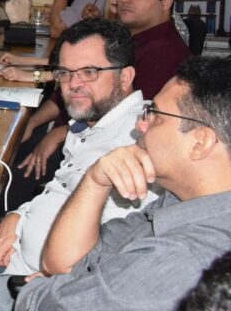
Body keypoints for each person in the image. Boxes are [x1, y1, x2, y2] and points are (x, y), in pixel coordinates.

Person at [0, 19, 156, 311]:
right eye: (65, 72)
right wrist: (17, 216)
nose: (74, 84)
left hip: (39, 283)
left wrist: (62, 282)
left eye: (90, 72)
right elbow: (61, 187)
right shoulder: (92, 121)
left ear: (125, 77)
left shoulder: (141, 139)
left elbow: (125, 248)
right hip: (16, 250)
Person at [16, 56, 231, 310]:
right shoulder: (180, 199)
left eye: (155, 114)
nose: (140, 123)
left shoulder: (179, 261)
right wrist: (95, 180)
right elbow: (64, 263)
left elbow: (43, 303)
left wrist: (45, 287)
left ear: (200, 143)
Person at [18, 0, 189, 188]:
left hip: (97, 149)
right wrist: (34, 120)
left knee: (8, 173)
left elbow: (129, 123)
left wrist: (59, 133)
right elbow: (73, 87)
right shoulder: (126, 37)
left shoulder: (164, 53)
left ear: (166, 1)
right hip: (73, 127)